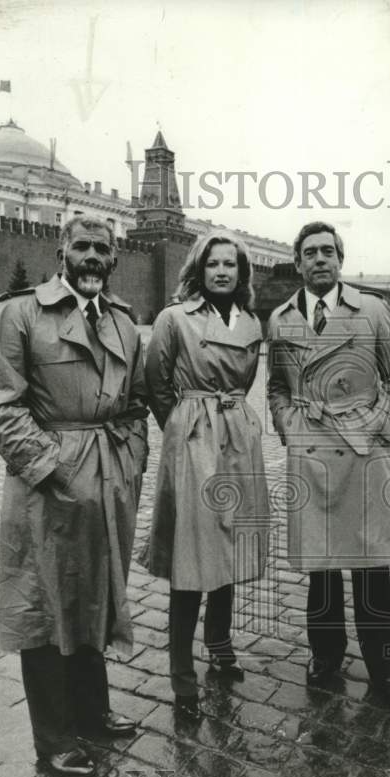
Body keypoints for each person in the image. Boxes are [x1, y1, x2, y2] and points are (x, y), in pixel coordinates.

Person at [0, 216, 149, 777]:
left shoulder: (125, 323)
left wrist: (128, 464)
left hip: (108, 480)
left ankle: (93, 711)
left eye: (103, 248)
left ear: (115, 258)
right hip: (46, 486)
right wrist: (53, 470)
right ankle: (53, 738)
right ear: (62, 251)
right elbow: (1, 406)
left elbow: (135, 406)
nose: (93, 256)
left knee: (95, 591)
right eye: (83, 246)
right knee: (46, 603)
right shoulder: (21, 312)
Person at [266, 221, 390, 709]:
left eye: (328, 251)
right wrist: (291, 428)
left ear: (340, 259)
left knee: (372, 570)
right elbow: (278, 388)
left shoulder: (371, 310)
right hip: (311, 455)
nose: (320, 259)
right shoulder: (281, 318)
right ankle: (325, 655)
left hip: (363, 455)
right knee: (321, 570)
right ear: (298, 263)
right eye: (310, 253)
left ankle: (386, 668)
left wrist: (374, 432)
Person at [142, 231, 269, 718]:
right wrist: (183, 431)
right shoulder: (174, 318)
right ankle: (180, 674)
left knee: (229, 544)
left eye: (230, 264)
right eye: (213, 263)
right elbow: (155, 383)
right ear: (199, 268)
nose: (221, 271)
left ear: (241, 273)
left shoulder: (251, 322)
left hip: (238, 437)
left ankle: (220, 646)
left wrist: (230, 421)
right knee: (192, 555)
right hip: (194, 438)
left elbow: (246, 379)